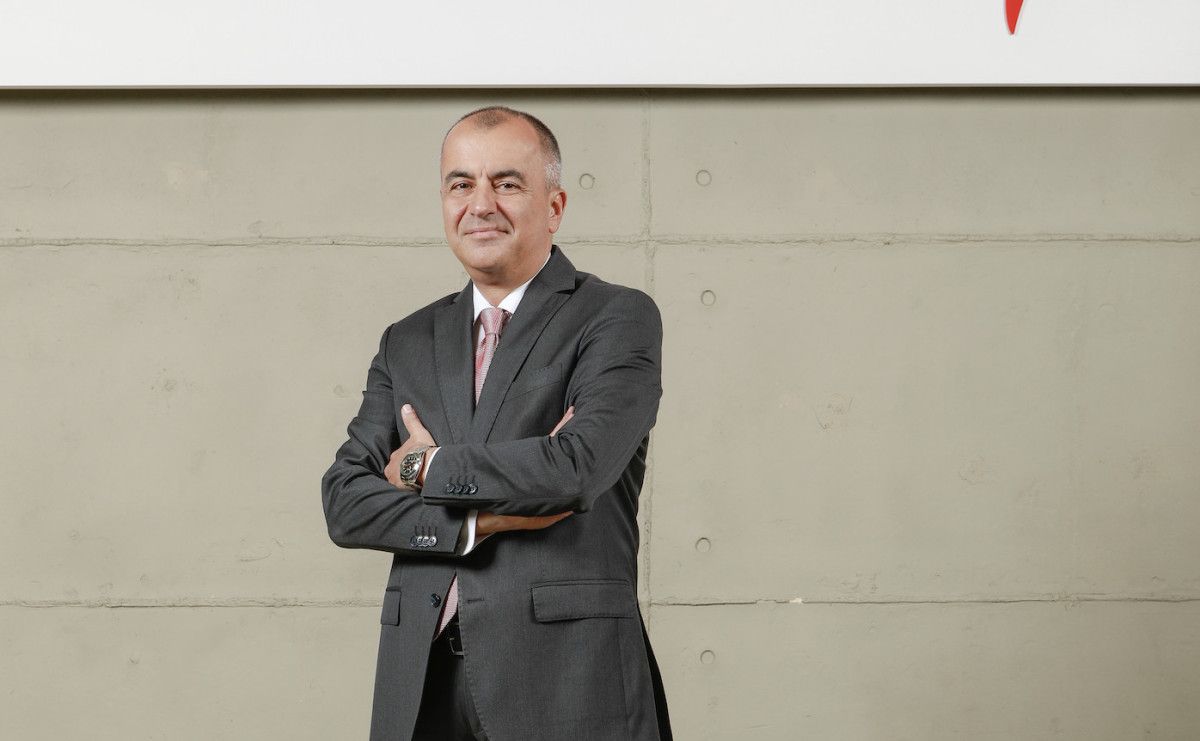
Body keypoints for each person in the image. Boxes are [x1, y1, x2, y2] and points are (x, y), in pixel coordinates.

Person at [321, 106, 672, 741]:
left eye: (506, 183)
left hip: (567, 679)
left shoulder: (616, 318)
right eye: (461, 184)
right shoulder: (407, 340)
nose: (480, 204)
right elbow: (345, 502)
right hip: (421, 681)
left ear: (555, 206)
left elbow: (574, 470)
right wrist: (477, 523)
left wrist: (420, 466)